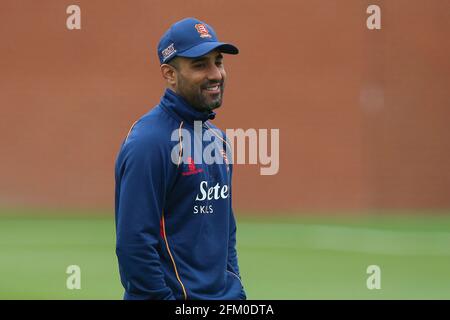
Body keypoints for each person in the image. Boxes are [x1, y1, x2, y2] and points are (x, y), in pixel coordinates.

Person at [114, 17, 246, 300]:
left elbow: (226, 234)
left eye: (218, 61)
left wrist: (236, 292)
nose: (215, 74)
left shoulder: (218, 140)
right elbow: (134, 244)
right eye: (200, 65)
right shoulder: (148, 143)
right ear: (170, 74)